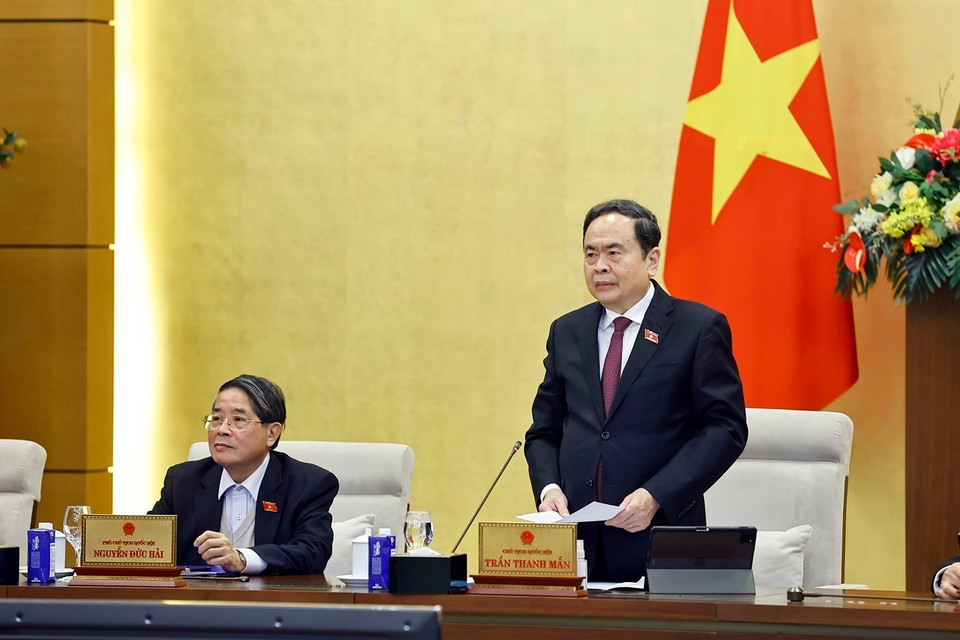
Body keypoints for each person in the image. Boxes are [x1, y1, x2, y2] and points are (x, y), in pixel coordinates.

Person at [524, 199, 748, 582]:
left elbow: (725, 429)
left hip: (660, 537)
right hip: (576, 544)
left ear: (651, 259)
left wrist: (655, 495)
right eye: (590, 254)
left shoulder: (697, 328)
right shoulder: (567, 332)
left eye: (614, 253)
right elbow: (544, 432)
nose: (600, 266)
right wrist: (549, 489)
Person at [150, 374, 338, 575]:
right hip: (199, 595)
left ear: (272, 433)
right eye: (217, 419)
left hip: (271, 595)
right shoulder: (182, 481)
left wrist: (242, 559)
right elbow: (148, 543)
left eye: (238, 420)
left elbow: (313, 553)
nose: (222, 430)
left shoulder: (307, 484)